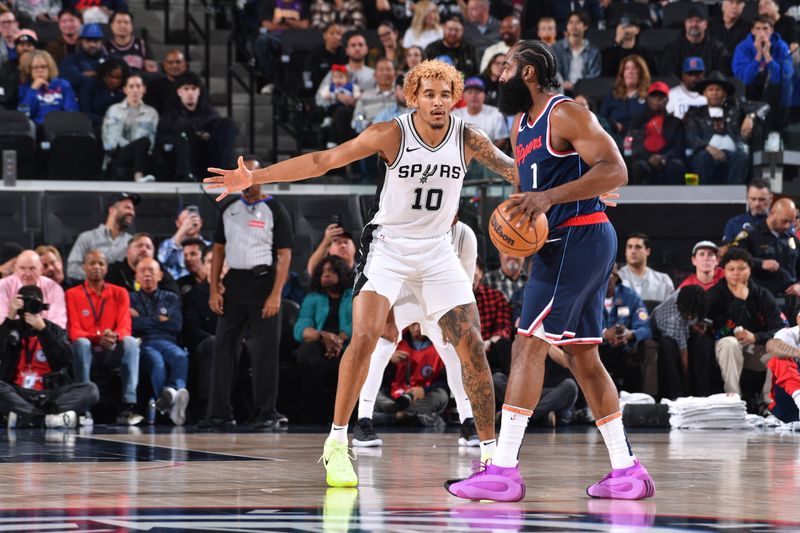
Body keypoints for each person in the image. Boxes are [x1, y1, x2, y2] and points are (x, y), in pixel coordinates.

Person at [205, 59, 520, 488]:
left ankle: (492, 459)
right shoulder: (391, 133)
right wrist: (254, 177)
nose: (438, 102)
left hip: (438, 249)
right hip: (388, 247)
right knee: (367, 337)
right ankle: (337, 443)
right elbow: (322, 160)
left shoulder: (469, 139)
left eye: (446, 94)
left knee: (473, 347)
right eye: (429, 94)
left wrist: (582, 186)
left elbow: (517, 170)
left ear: (455, 98)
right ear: (413, 97)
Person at [445, 40, 652, 502]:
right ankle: (627, 470)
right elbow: (528, 185)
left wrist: (560, 196)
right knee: (582, 356)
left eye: (507, 68)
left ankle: (502, 469)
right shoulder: (519, 125)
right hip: (558, 241)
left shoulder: (566, 113)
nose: (499, 77)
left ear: (531, 73)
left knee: (527, 346)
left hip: (579, 237)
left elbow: (615, 168)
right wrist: (512, 233)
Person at [354, 217, 479, 448]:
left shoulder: (464, 235)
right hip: (401, 297)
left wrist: (454, 320)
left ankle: (468, 422)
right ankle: (363, 421)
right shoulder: (408, 224)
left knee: (454, 353)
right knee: (380, 349)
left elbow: (464, 284)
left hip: (436, 301)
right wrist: (388, 319)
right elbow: (384, 274)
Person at [200, 155, 293, 432]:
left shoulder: (275, 209)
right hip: (235, 283)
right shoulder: (229, 206)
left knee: (264, 351)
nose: (247, 181)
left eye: (252, 175)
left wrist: (276, 294)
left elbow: (285, 255)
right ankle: (219, 414)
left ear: (261, 177)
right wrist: (214, 288)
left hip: (263, 282)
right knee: (223, 347)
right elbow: (217, 250)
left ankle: (266, 413)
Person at [0, 285, 99, 429]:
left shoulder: (53, 330)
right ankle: (47, 419)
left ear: (42, 306)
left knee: (91, 390)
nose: (29, 307)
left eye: (34, 303)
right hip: (18, 392)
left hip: (50, 395)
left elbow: (63, 361)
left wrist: (43, 331)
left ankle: (27, 417)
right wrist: (9, 318)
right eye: (25, 303)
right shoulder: (11, 328)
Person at [66, 250, 141, 425]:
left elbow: (125, 326)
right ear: (84, 267)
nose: (96, 267)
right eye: (92, 263)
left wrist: (113, 336)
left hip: (111, 349)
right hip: (87, 351)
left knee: (130, 342)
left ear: (106, 268)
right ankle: (83, 407)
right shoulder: (73, 294)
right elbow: (74, 331)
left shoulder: (120, 292)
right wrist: (97, 337)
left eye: (101, 263)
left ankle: (128, 406)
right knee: (82, 343)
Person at [708, 248, 783, 405]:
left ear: (750, 269)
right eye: (731, 269)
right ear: (724, 272)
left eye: (741, 268)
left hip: (755, 348)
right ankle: (734, 400)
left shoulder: (762, 295)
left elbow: (779, 329)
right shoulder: (715, 294)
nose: (736, 273)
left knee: (779, 349)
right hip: (723, 348)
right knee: (730, 343)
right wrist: (740, 302)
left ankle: (769, 403)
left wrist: (756, 337)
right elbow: (712, 330)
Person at [130, 257, 189, 425]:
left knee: (180, 356)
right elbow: (131, 325)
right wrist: (159, 319)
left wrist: (144, 319)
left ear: (160, 275)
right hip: (146, 342)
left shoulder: (170, 297)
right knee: (157, 363)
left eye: (152, 271)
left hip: (168, 341)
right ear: (136, 276)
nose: (147, 274)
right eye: (143, 271)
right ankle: (170, 402)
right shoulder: (130, 298)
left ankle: (171, 393)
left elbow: (176, 325)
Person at [294, 256, 353, 422]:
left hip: (347, 343)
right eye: (323, 271)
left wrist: (338, 340)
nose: (326, 274)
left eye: (331, 271)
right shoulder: (313, 297)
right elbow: (300, 329)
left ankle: (345, 415)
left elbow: (360, 324)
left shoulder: (353, 295)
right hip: (319, 345)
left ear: (341, 273)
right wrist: (323, 336)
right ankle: (314, 413)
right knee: (306, 351)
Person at [732, 16, 794, 151]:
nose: (762, 33)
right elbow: (744, 80)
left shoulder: (781, 47)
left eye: (765, 29)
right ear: (752, 31)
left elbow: (783, 77)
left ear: (771, 30)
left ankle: (773, 133)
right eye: (758, 29)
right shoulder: (742, 48)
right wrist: (758, 56)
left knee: (784, 85)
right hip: (750, 93)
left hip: (773, 95)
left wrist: (768, 56)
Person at [684, 73, 752, 185]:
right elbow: (691, 137)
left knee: (741, 157)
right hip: (706, 152)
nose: (714, 93)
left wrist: (750, 117)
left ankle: (734, 198)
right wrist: (708, 148)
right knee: (702, 157)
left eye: (718, 90)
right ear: (704, 93)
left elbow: (761, 106)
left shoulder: (735, 109)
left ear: (724, 94)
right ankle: (701, 197)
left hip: (732, 153)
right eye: (711, 89)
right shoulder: (695, 114)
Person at [599, 263, 656, 396]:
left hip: (625, 352)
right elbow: (576, 328)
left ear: (616, 277)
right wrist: (604, 334)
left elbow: (645, 327)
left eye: (607, 274)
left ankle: (642, 401)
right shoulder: (587, 298)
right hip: (597, 352)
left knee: (644, 350)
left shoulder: (631, 297)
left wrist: (629, 334)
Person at [651, 285, 716, 399]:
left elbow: (690, 316)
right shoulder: (672, 319)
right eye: (689, 315)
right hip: (663, 333)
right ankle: (676, 397)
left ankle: (703, 395)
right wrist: (687, 387)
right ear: (680, 306)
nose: (691, 316)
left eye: (693, 315)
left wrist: (693, 324)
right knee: (668, 346)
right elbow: (684, 359)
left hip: (683, 326)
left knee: (705, 343)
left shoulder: (687, 295)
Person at [729, 197, 800, 300]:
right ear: (772, 213)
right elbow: (734, 257)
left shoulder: (792, 238)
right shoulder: (751, 234)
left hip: (790, 301)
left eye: (791, 222)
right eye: (784, 221)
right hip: (761, 300)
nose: (787, 226)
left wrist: (799, 285)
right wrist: (760, 263)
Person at [66, 192, 138, 279]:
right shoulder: (87, 238)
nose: (132, 213)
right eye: (127, 208)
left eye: (133, 209)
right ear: (112, 210)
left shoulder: (132, 242)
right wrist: (97, 279)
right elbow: (72, 270)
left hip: (121, 291)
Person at [102, 74, 159, 182]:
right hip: (118, 152)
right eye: (131, 86)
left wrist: (137, 148)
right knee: (140, 144)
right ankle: (138, 177)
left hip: (142, 153)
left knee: (144, 142)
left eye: (138, 86)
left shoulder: (151, 112)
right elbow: (108, 135)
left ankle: (139, 176)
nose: (135, 90)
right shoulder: (114, 109)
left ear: (144, 89)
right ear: (125, 90)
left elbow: (151, 138)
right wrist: (131, 147)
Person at [628, 81, 685, 185]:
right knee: (639, 166)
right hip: (645, 158)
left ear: (667, 100)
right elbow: (635, 144)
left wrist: (664, 157)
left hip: (667, 158)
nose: (657, 100)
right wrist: (649, 158)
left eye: (661, 97)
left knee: (676, 165)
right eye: (654, 97)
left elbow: (678, 146)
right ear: (648, 100)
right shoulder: (638, 120)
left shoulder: (675, 122)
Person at [659, 6, 732, 78]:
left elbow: (722, 73)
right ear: (685, 24)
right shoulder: (672, 48)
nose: (694, 24)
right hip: (680, 87)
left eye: (698, 21)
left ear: (705, 24)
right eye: (690, 21)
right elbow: (667, 74)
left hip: (708, 87)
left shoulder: (718, 48)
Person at [254, 0, 310, 94]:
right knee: (262, 40)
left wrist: (285, 20)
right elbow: (267, 25)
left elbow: (305, 25)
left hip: (297, 36)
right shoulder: (269, 3)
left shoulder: (302, 4)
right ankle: (272, 79)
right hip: (276, 36)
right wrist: (293, 25)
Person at [0, 250, 67, 329]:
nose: (27, 274)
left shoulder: (54, 288)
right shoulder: (3, 286)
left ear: (41, 270)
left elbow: (59, 324)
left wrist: (40, 326)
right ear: (15, 269)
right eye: (22, 268)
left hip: (44, 337)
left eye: (32, 268)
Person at [598, 55, 650, 145]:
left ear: (641, 73)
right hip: (613, 139)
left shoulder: (648, 96)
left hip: (639, 141)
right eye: (627, 68)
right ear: (623, 73)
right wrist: (613, 125)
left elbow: (649, 123)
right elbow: (602, 118)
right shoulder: (613, 94)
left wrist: (625, 128)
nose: (630, 72)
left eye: (634, 68)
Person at [17, 50, 79, 126]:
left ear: (50, 68)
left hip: (60, 127)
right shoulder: (25, 87)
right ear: (29, 70)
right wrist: (33, 90)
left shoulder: (63, 84)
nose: (40, 70)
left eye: (43, 67)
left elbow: (71, 110)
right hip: (37, 128)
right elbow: (23, 115)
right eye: (35, 67)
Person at [106, 232, 180, 294]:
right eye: (139, 246)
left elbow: (174, 298)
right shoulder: (113, 271)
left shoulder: (160, 272)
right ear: (128, 251)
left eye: (148, 247)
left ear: (153, 254)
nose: (144, 249)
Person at [553, 10, 601, 93]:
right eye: (571, 22)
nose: (574, 26)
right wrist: (562, 83)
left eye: (578, 22)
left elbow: (594, 76)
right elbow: (554, 72)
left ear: (585, 26)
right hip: (561, 90)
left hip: (585, 91)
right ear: (567, 26)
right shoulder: (556, 48)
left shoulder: (593, 51)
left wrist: (577, 86)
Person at [618, 233, 674, 303]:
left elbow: (670, 311)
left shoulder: (664, 280)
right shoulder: (616, 279)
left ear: (647, 251)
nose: (633, 251)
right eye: (629, 247)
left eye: (638, 247)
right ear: (625, 251)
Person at [764, 312, 800, 422]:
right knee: (778, 358)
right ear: (798, 320)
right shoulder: (787, 334)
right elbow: (772, 347)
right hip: (788, 401)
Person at [158, 207, 209, 281]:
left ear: (201, 222)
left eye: (193, 218)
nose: (190, 222)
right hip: (179, 288)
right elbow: (161, 259)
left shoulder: (210, 246)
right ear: (178, 223)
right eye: (186, 219)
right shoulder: (170, 245)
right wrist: (183, 229)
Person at [58, 23, 107, 95]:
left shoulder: (110, 60)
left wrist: (90, 74)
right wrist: (101, 76)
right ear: (81, 41)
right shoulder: (69, 60)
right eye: (88, 41)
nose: (92, 45)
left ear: (101, 42)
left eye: (95, 41)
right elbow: (72, 80)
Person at [79, 55, 128, 127]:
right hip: (96, 126)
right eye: (112, 77)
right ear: (104, 75)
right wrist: (105, 120)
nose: (115, 81)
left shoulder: (125, 91)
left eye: (118, 78)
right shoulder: (90, 86)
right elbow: (85, 114)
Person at [721, 178, 772, 245]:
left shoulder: (780, 223)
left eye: (762, 199)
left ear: (771, 198)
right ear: (747, 198)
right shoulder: (734, 224)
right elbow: (725, 251)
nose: (757, 204)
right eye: (753, 199)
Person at [304, 22, 346, 91]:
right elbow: (308, 72)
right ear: (325, 35)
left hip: (341, 89)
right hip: (319, 89)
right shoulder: (316, 53)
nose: (335, 36)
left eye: (338, 34)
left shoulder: (345, 53)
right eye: (332, 33)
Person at [143, 49, 187, 114]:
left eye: (178, 62)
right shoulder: (154, 86)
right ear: (164, 65)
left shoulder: (193, 84)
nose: (174, 65)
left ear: (184, 65)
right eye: (170, 62)